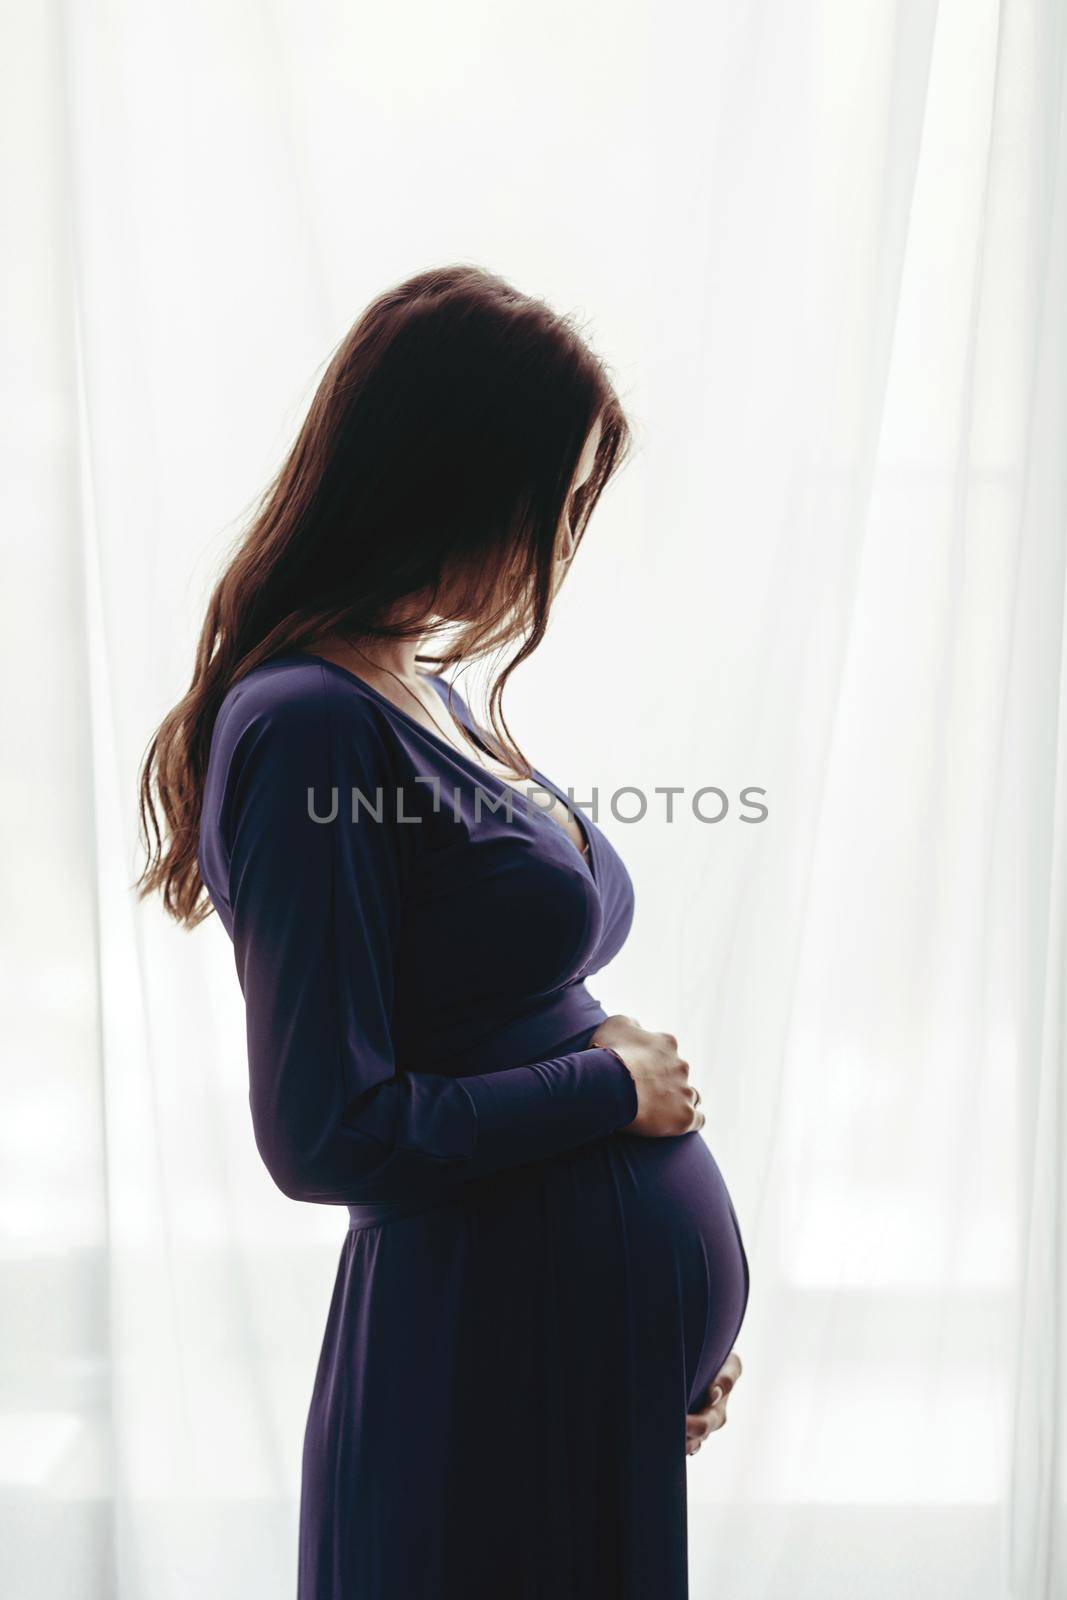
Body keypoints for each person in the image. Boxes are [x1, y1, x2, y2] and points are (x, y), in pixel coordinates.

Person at [138, 264, 750, 1599]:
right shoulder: (307, 723)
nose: (566, 536)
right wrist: (608, 1087)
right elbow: (327, 1133)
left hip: (557, 1379)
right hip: (475, 1379)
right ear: (458, 476)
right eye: (561, 495)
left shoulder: (421, 685)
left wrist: (657, 1344)